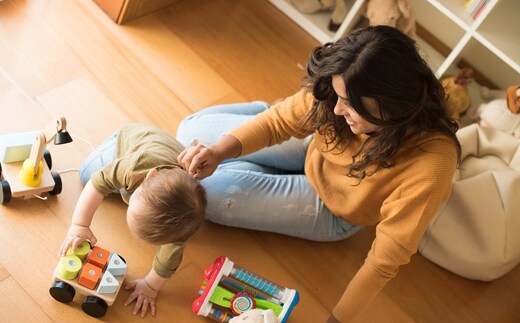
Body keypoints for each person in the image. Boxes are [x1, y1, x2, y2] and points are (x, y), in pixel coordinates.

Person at [177, 25, 461, 322]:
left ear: (391, 107)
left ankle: (253, 167)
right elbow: (277, 123)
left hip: (335, 207)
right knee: (190, 134)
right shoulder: (339, 91)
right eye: (337, 97)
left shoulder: (431, 165)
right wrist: (218, 152)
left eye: (349, 104)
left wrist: (335, 320)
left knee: (205, 194)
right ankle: (255, 154)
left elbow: (383, 262)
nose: (338, 109)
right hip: (315, 148)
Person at [58, 123, 206, 318]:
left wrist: (151, 286)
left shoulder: (181, 228)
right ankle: (111, 144)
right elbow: (99, 182)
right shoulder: (135, 167)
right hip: (132, 139)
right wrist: (80, 225)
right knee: (86, 174)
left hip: (168, 151)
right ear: (149, 176)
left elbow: (168, 261)